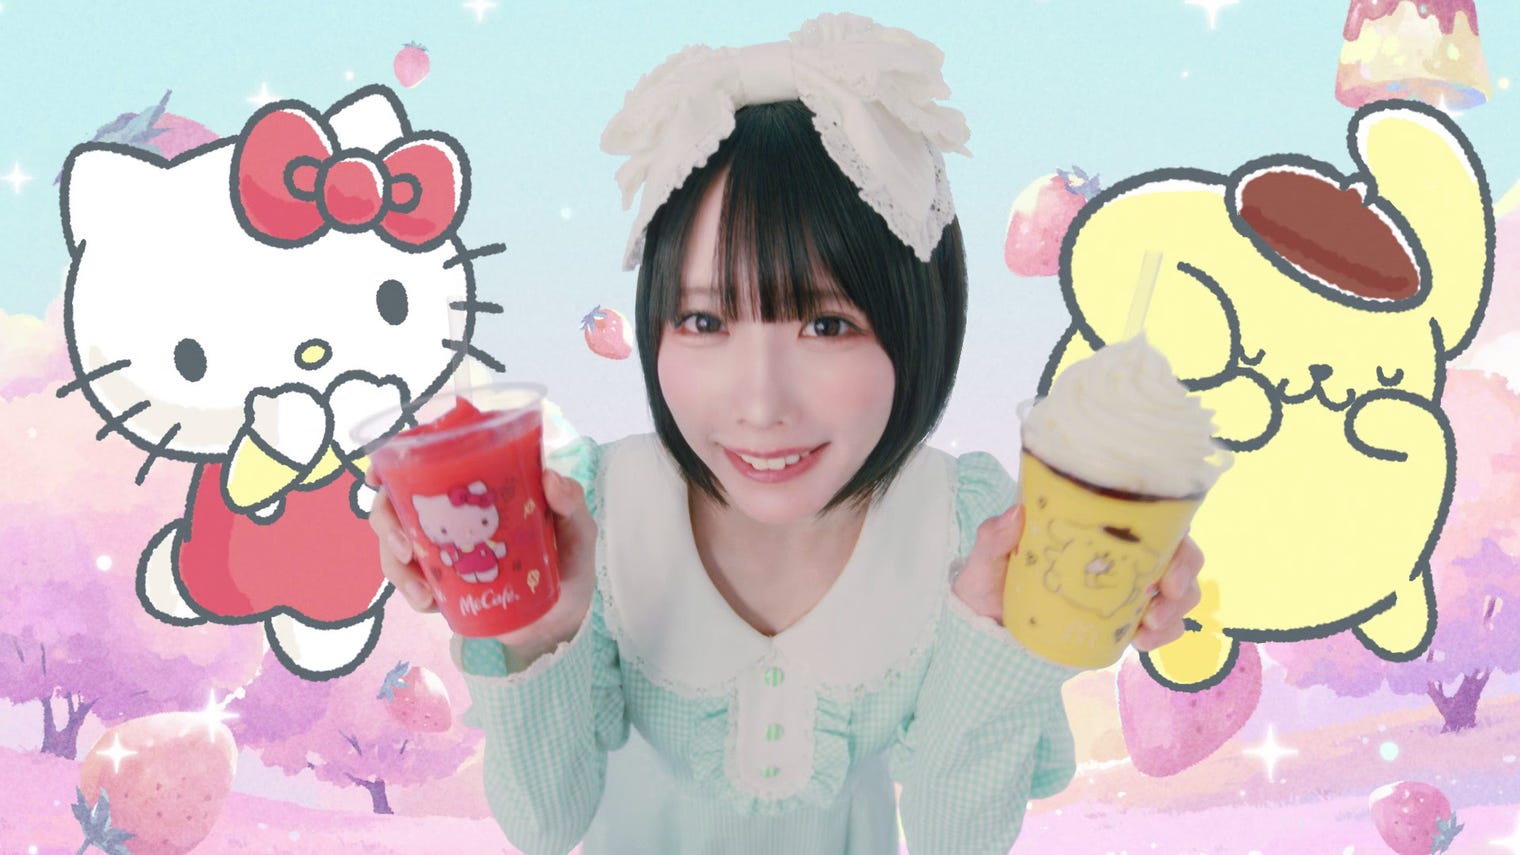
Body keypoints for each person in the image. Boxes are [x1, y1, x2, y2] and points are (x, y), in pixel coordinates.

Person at [367, 13, 1205, 855]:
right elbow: (545, 825)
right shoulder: (594, 516)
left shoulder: (965, 535)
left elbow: (954, 839)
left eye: (826, 326)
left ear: (918, 321)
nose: (760, 405)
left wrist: (1010, 637)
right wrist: (534, 629)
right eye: (704, 321)